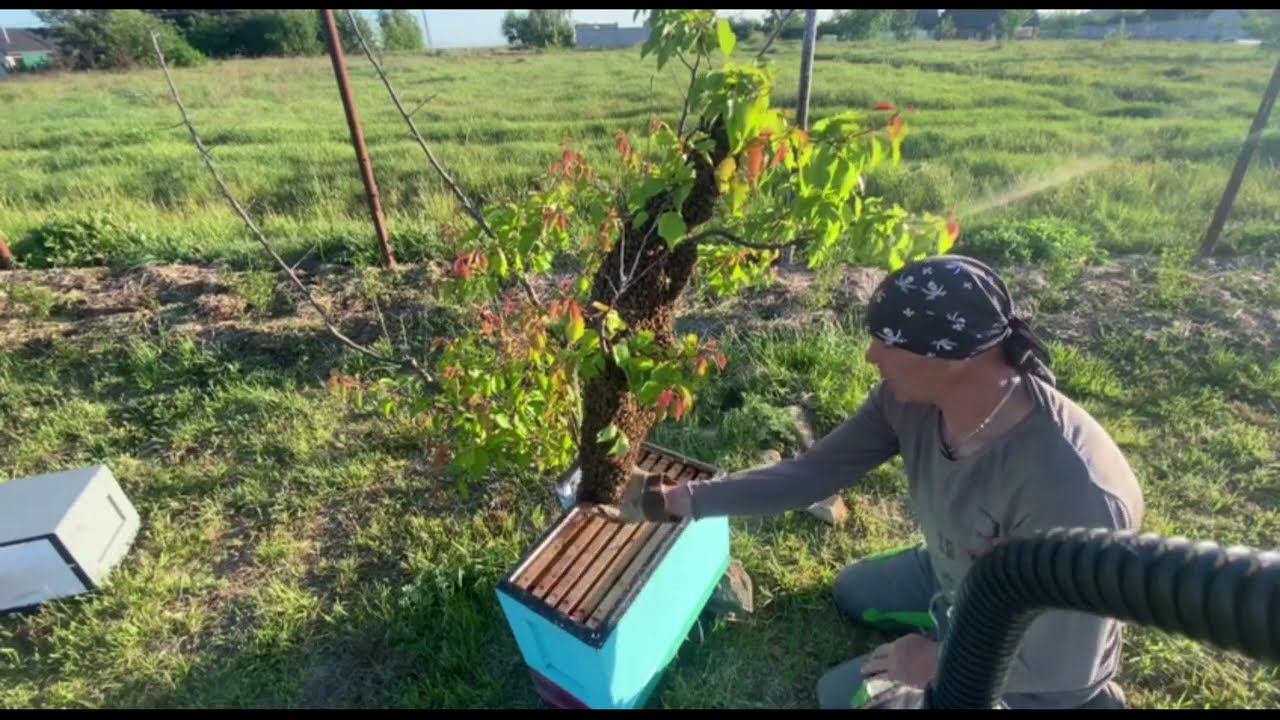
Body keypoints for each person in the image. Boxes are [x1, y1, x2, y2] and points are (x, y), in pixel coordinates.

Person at [641, 254, 1144, 709]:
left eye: (888, 341)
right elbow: (810, 474)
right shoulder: (907, 401)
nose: (870, 356)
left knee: (842, 696)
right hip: (956, 578)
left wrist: (938, 662)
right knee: (854, 591)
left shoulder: (1073, 493)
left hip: (1036, 659)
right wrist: (678, 500)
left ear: (956, 357)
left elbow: (1064, 665)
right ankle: (949, 613)